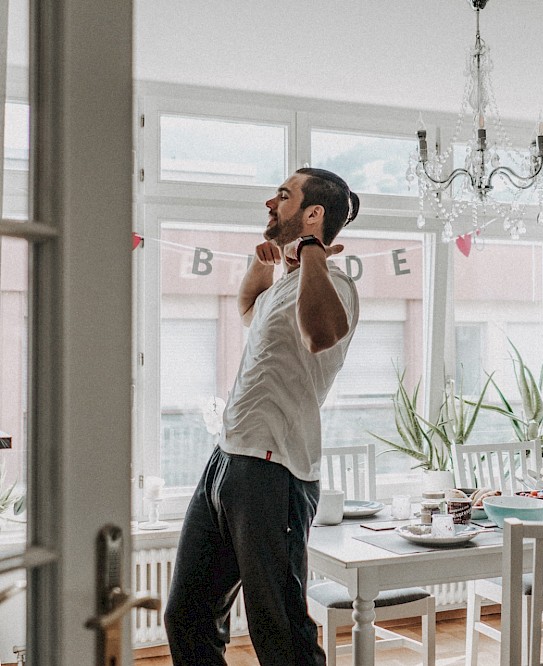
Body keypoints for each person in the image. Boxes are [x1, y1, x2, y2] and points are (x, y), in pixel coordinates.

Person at [164, 168, 361, 665]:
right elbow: (252, 312)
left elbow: (320, 333)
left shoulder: (336, 283)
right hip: (227, 460)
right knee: (187, 615)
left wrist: (312, 251)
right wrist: (260, 275)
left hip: (274, 472)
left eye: (283, 195)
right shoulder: (284, 289)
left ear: (312, 214)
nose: (270, 203)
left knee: (280, 631)